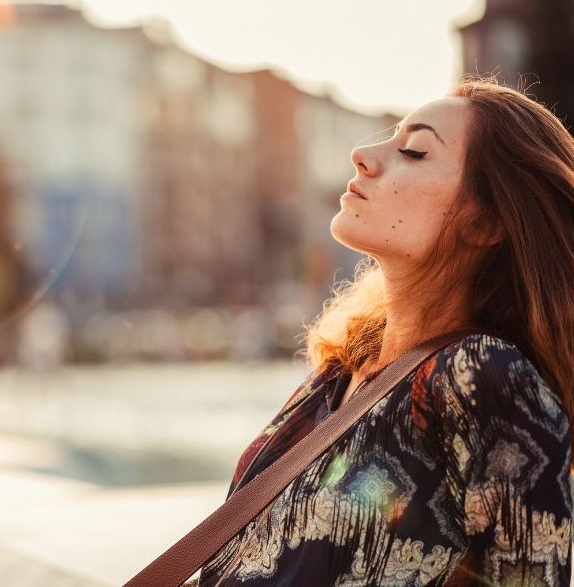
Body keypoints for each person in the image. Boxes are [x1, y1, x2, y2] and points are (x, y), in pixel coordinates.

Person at [199, 78, 574, 586]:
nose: (362, 153)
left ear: (485, 222)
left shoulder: (484, 376)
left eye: (415, 152)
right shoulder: (340, 373)